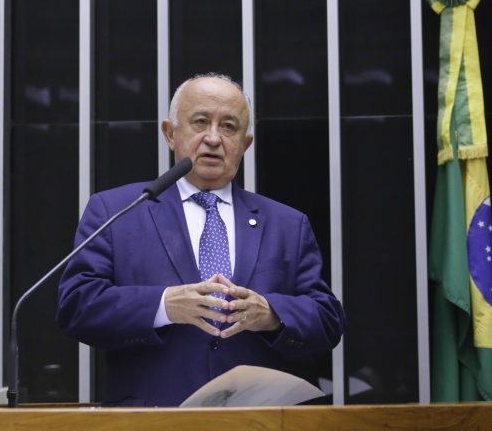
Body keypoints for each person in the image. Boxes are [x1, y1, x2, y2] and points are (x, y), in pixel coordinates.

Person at [56, 73, 345, 406]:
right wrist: (165, 305)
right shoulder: (117, 210)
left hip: (256, 422)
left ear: (245, 143)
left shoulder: (287, 224)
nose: (213, 138)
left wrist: (271, 313)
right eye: (200, 122)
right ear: (170, 133)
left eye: (228, 127)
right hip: (152, 421)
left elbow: (326, 320)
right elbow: (77, 306)